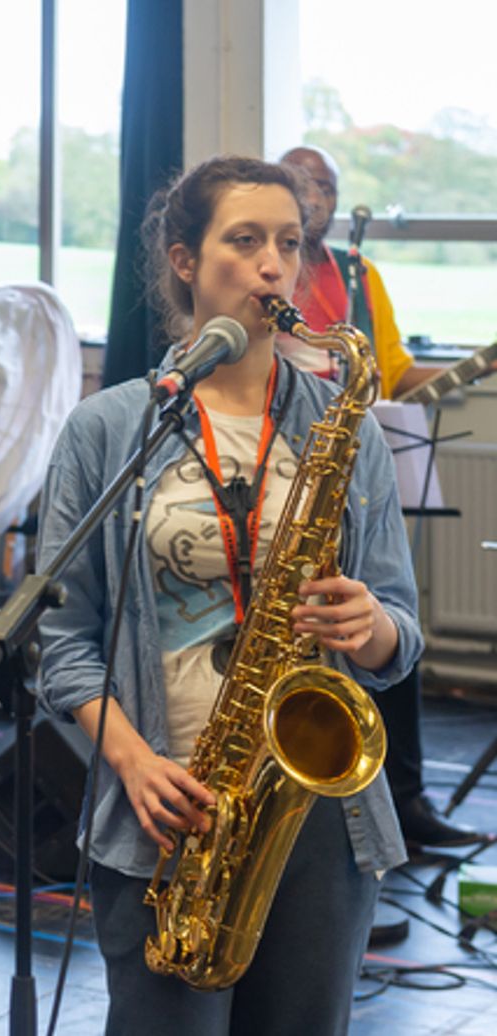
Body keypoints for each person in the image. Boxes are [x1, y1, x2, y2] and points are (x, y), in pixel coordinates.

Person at [36, 155, 423, 1034]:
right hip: (169, 809)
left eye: (287, 244)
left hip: (319, 816)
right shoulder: (109, 428)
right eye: (244, 242)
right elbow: (59, 640)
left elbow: (403, 636)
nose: (273, 267)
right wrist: (133, 763)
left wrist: (370, 630)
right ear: (184, 260)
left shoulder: (343, 426)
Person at [280, 143, 493, 852]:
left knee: (389, 628)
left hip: (358, 482)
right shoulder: (267, 272)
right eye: (303, 181)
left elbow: (393, 373)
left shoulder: (358, 273)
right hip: (280, 483)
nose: (317, 195)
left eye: (327, 185)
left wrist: (473, 368)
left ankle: (404, 798)